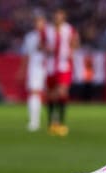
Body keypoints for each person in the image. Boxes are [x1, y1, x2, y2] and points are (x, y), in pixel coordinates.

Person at [42, 9, 79, 137]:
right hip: (51, 66)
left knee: (62, 92)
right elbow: (41, 45)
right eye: (56, 16)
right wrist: (46, 48)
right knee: (51, 95)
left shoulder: (69, 29)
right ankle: (51, 123)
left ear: (64, 17)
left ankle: (62, 123)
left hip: (64, 66)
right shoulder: (47, 30)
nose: (57, 18)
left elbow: (75, 43)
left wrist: (72, 50)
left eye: (60, 16)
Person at [18, 13, 47, 132]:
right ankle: (34, 122)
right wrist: (22, 69)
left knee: (52, 94)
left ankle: (54, 121)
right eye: (36, 22)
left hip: (49, 67)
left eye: (40, 22)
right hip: (35, 67)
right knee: (34, 93)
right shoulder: (30, 37)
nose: (38, 24)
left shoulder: (51, 35)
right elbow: (26, 55)